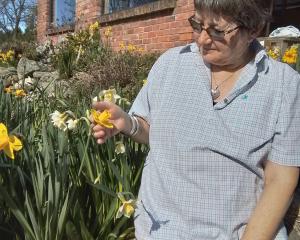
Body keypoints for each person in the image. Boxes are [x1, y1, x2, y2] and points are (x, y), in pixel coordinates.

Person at [91, 0, 300, 239]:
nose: (202, 39)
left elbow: (281, 179)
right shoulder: (170, 64)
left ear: (253, 29)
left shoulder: (283, 85)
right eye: (198, 24)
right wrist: (128, 124)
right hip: (159, 231)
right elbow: (152, 131)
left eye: (217, 31)